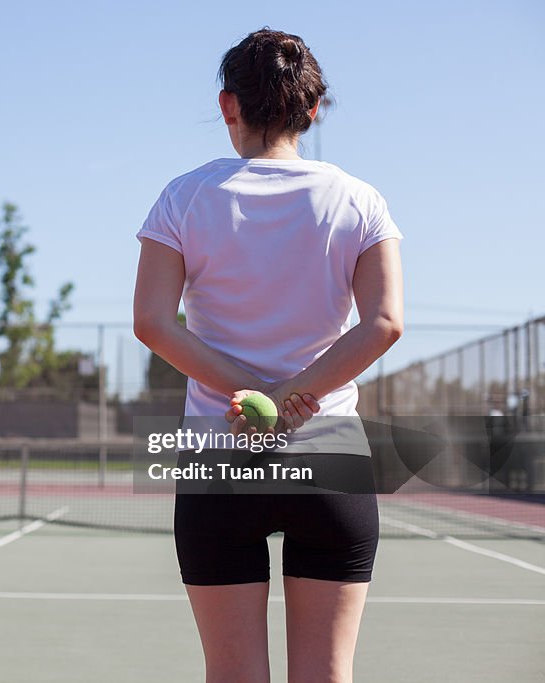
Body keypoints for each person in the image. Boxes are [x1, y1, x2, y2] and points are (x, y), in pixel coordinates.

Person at [132, 28, 404, 683]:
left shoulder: (183, 197)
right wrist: (290, 401)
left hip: (218, 452)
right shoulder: (360, 200)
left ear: (229, 106)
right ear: (312, 110)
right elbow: (386, 322)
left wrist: (257, 398)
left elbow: (150, 321)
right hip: (331, 448)